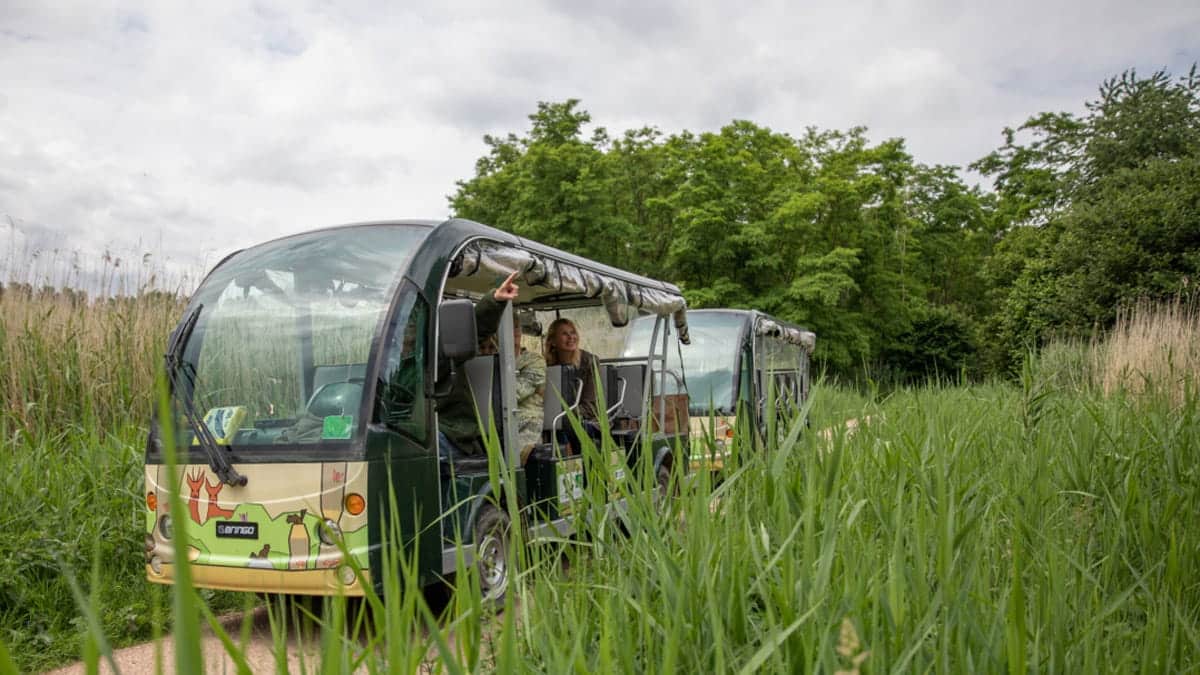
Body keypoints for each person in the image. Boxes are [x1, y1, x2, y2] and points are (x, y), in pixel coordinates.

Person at [437, 271, 520, 458]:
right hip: (413, 430)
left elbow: (474, 329)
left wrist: (495, 300)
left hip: (452, 432)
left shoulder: (437, 350)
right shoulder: (386, 363)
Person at [543, 317, 602, 452]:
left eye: (573, 332)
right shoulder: (546, 364)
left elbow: (590, 405)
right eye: (564, 334)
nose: (571, 337)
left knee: (564, 427)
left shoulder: (589, 361)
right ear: (552, 341)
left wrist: (564, 415)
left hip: (588, 419)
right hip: (555, 419)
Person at [513, 314, 546, 462]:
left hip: (526, 426)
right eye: (506, 327)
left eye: (516, 327)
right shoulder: (489, 357)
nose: (513, 332)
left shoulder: (534, 361)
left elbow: (514, 394)